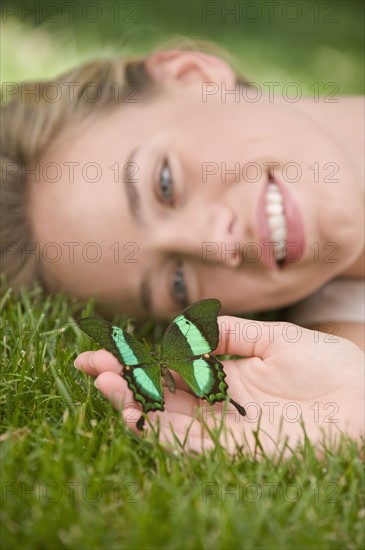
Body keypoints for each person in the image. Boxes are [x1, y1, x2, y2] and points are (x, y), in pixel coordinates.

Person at [1, 44, 364, 454]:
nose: (218, 244)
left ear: (194, 76)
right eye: (177, 282)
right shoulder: (341, 368)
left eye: (165, 185)